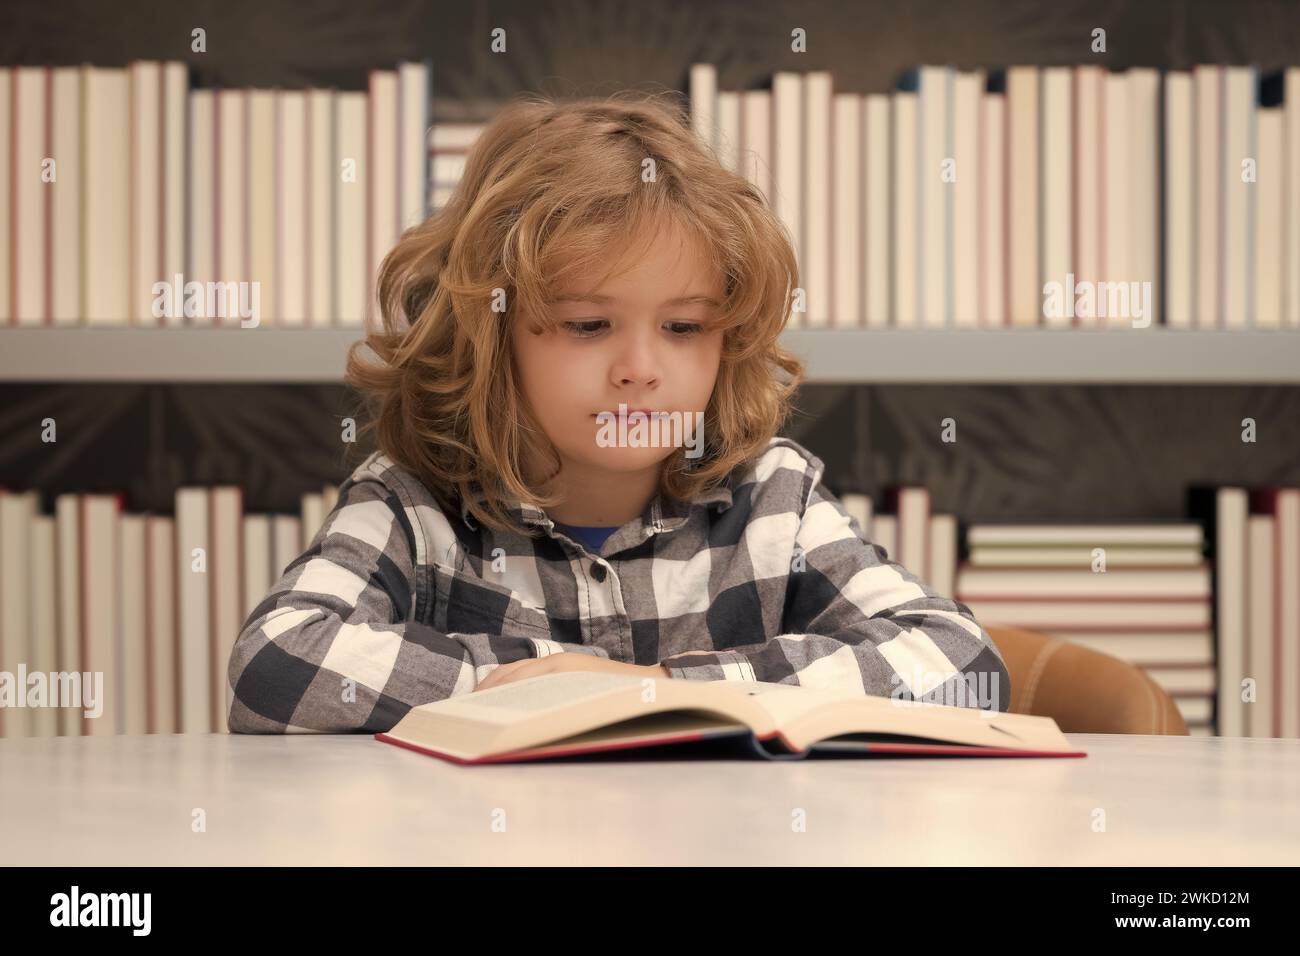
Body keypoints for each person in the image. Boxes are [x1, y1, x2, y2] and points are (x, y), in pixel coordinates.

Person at [226, 92, 1010, 733]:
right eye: (587, 326)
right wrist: (525, 686)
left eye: (683, 327)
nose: (640, 370)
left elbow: (961, 665)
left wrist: (651, 689)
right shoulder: (413, 502)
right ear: (490, 338)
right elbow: (275, 663)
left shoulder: (773, 499)